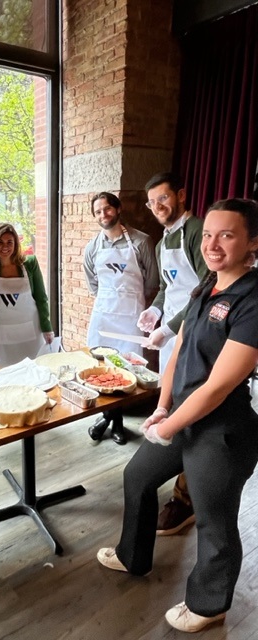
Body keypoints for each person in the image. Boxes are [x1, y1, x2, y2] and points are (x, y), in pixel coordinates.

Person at [97, 198, 258, 633]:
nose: (213, 244)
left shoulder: (253, 299)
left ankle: (209, 606)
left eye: (227, 234)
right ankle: (134, 555)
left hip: (222, 430)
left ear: (252, 243)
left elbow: (219, 385)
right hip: (180, 417)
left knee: (214, 520)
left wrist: (167, 426)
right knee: (138, 477)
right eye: (208, 234)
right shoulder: (208, 285)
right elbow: (178, 352)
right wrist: (162, 406)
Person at [137, 172, 209, 535]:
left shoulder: (196, 231)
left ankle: (187, 499)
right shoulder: (162, 241)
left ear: (181, 195)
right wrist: (155, 311)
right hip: (175, 333)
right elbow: (170, 287)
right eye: (152, 203)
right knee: (173, 401)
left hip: (196, 333)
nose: (158, 207)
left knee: (191, 412)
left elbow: (206, 288)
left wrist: (171, 326)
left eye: (163, 199)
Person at [83, 192, 159, 445]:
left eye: (106, 209)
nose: (102, 215)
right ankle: (110, 419)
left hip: (130, 318)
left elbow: (151, 283)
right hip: (103, 316)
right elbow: (92, 283)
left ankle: (113, 421)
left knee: (127, 370)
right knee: (103, 368)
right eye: (97, 212)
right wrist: (109, 298)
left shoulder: (141, 241)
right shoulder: (92, 247)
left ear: (117, 209)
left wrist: (131, 300)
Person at [0, 223, 54, 367]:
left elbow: (41, 298)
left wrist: (47, 328)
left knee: (36, 369)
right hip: (3, 333)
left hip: (31, 330)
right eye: (0, 242)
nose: (5, 247)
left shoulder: (30, 263)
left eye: (10, 242)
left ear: (16, 243)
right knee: (8, 372)